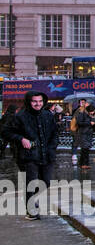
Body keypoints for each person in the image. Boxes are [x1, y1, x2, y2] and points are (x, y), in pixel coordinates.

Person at [2, 91, 60, 219]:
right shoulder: (20, 116)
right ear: (29, 102)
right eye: (34, 101)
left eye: (40, 101)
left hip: (47, 154)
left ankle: (31, 199)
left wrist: (52, 147)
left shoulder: (47, 115)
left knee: (46, 182)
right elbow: (6, 131)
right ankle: (31, 210)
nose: (37, 104)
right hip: (28, 156)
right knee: (31, 182)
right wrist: (21, 138)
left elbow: (55, 133)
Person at [73, 98, 95, 169]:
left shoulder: (89, 113)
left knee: (86, 149)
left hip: (88, 133)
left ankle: (83, 163)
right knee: (85, 149)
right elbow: (79, 123)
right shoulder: (81, 113)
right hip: (83, 133)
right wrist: (89, 123)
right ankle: (84, 163)